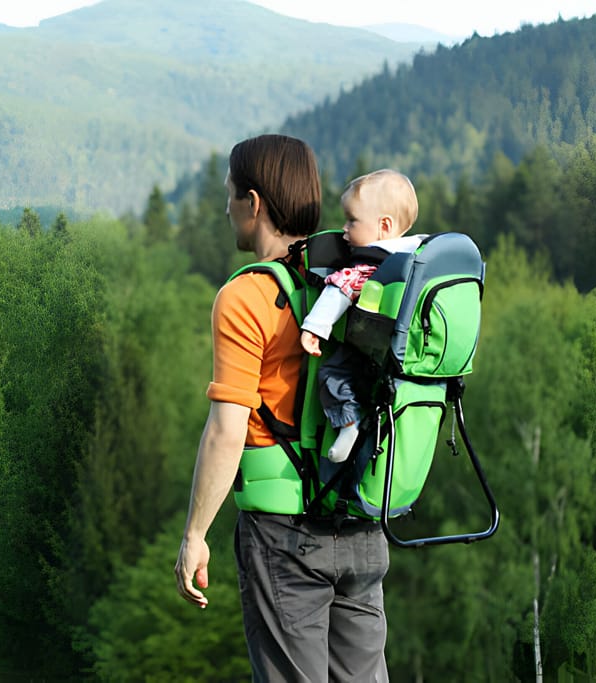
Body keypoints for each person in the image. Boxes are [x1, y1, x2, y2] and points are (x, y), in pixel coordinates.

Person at [174, 134, 390, 682]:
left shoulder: (246, 297)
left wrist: (195, 534)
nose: (226, 208)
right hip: (363, 525)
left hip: (284, 538)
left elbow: (228, 432)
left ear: (254, 203)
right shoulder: (358, 275)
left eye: (229, 195)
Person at [300, 169, 422, 462]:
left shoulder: (369, 263)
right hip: (407, 354)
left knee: (332, 375)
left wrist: (313, 329)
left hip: (367, 347)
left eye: (352, 221)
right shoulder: (418, 253)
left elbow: (338, 291)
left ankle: (349, 423)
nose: (344, 230)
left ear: (384, 226)